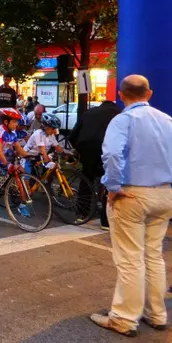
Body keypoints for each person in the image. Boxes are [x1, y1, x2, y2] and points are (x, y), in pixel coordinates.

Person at [89, 75, 172, 337]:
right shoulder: (168, 121)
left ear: (121, 94)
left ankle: (124, 318)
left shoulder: (123, 120)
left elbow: (112, 154)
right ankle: (156, 314)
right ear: (149, 93)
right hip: (165, 193)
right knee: (153, 255)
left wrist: (112, 187)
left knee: (130, 259)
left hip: (132, 194)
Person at [69, 100, 121, 229]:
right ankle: (106, 221)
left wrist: (79, 150)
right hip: (107, 149)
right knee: (108, 182)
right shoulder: (120, 114)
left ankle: (82, 213)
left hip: (87, 149)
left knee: (86, 179)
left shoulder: (89, 112)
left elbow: (73, 135)